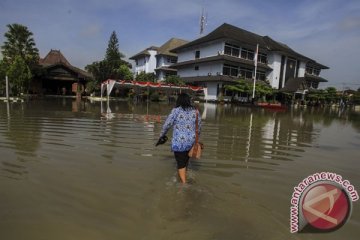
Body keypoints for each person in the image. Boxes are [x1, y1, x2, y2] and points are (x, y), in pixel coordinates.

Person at [158, 93, 201, 184]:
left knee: (181, 164)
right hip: (191, 142)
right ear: (189, 101)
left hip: (179, 142)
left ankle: (184, 184)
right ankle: (184, 175)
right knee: (185, 161)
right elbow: (199, 127)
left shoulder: (176, 111)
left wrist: (162, 135)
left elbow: (167, 125)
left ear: (179, 101)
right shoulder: (196, 111)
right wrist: (196, 140)